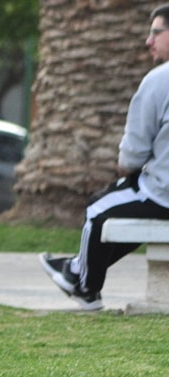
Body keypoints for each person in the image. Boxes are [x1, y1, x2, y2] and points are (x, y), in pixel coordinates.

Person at [40, 5, 169, 311]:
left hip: (163, 194)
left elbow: (133, 152)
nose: (147, 41)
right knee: (122, 202)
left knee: (99, 208)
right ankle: (76, 270)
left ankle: (85, 286)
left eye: (155, 33)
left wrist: (127, 171)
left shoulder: (159, 80)